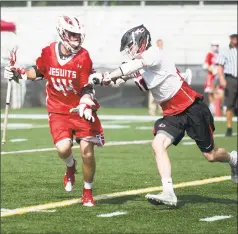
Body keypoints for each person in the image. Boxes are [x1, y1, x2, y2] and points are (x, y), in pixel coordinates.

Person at [89, 25, 237, 206]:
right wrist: (103, 79)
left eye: (131, 46)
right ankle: (168, 192)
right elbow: (124, 77)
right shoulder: (143, 64)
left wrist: (107, 75)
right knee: (158, 144)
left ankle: (233, 158)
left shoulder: (154, 53)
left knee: (211, 155)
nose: (129, 50)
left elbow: (132, 67)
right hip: (172, 114)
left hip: (191, 107)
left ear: (142, 42)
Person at [4, 15, 104, 207]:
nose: (76, 38)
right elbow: (39, 71)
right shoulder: (49, 52)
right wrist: (19, 72)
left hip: (80, 108)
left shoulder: (84, 56)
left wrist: (85, 100)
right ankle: (70, 167)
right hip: (58, 109)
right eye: (72, 34)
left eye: (78, 35)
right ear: (62, 33)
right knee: (63, 148)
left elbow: (87, 85)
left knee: (88, 152)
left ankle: (87, 192)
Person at [217, 31, 238, 137]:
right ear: (230, 37)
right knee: (229, 104)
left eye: (236, 36)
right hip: (231, 79)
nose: (235, 38)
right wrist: (221, 78)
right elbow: (220, 66)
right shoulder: (225, 50)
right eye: (233, 36)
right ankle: (229, 127)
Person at [203, 42, 220, 114]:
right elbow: (206, 65)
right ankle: (212, 106)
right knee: (210, 91)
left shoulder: (219, 54)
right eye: (214, 45)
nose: (215, 47)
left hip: (218, 76)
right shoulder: (209, 54)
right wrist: (213, 70)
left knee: (217, 91)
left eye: (216, 46)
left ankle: (217, 108)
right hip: (211, 76)